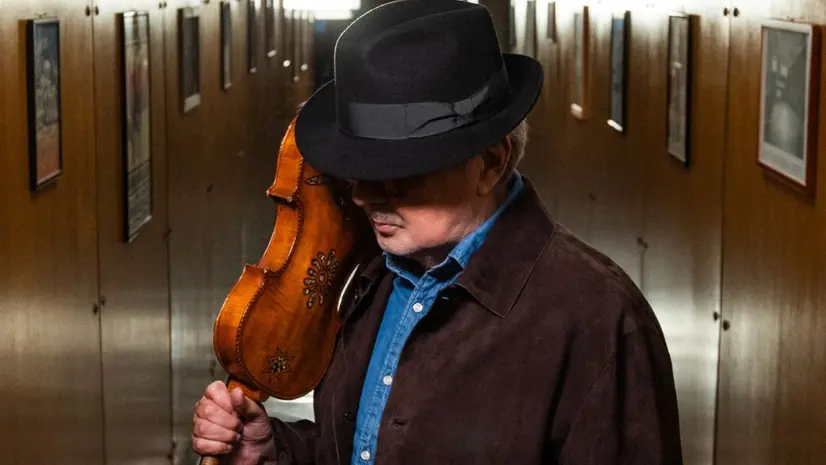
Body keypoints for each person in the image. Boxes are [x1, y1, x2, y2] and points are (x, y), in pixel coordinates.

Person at [191, 1, 684, 464]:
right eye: (357, 171)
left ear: (491, 163)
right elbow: (365, 447)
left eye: (401, 173)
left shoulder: (598, 319)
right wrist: (274, 449)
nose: (364, 197)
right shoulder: (375, 272)